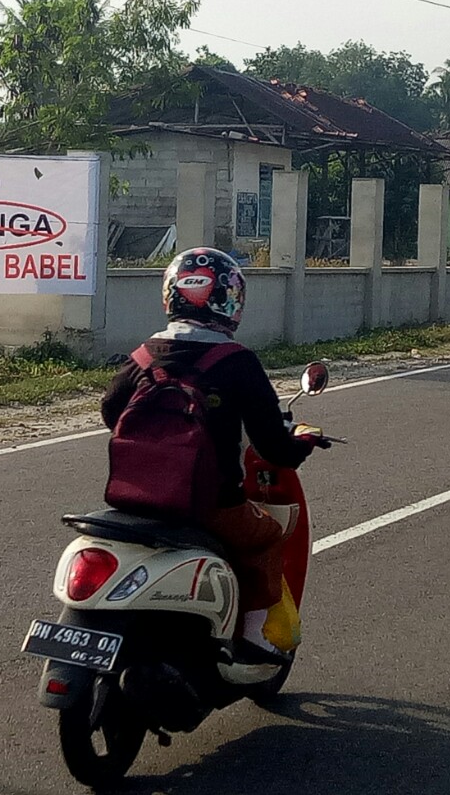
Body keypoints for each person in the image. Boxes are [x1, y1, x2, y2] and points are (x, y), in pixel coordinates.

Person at [100, 247, 319, 664]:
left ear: (171, 294)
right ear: (230, 300)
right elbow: (273, 446)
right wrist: (303, 444)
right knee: (268, 539)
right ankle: (257, 643)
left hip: (133, 499)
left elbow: (112, 411)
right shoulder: (236, 363)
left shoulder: (144, 356)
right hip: (208, 505)